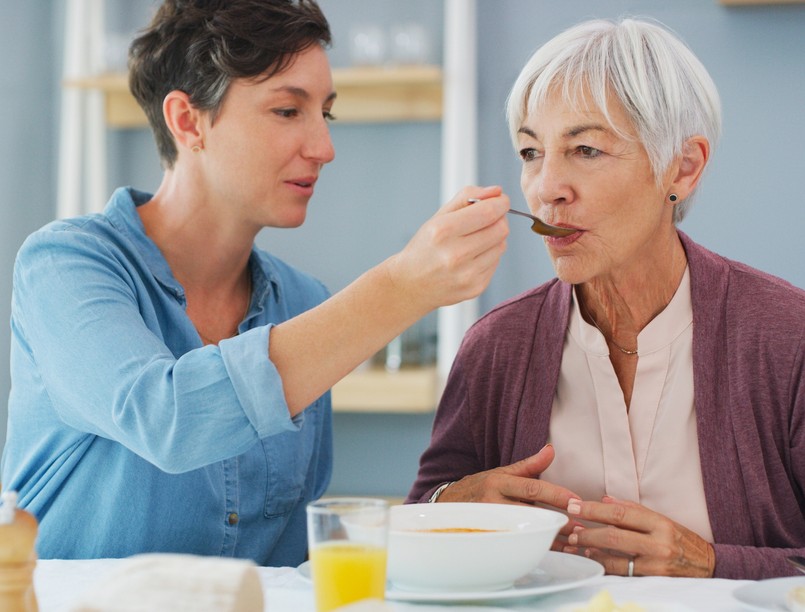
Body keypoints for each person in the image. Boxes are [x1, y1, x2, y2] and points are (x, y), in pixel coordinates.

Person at [0, 0, 509, 566]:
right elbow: (167, 419)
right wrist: (402, 287)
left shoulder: (302, 304)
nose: (324, 147)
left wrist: (446, 511)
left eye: (326, 114)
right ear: (188, 121)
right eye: (288, 111)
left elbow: (294, 559)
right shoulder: (65, 265)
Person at [407, 17, 805, 580]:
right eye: (529, 152)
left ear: (683, 168)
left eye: (586, 149)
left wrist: (712, 563)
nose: (547, 187)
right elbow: (418, 533)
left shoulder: (790, 338)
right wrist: (452, 506)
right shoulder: (496, 346)